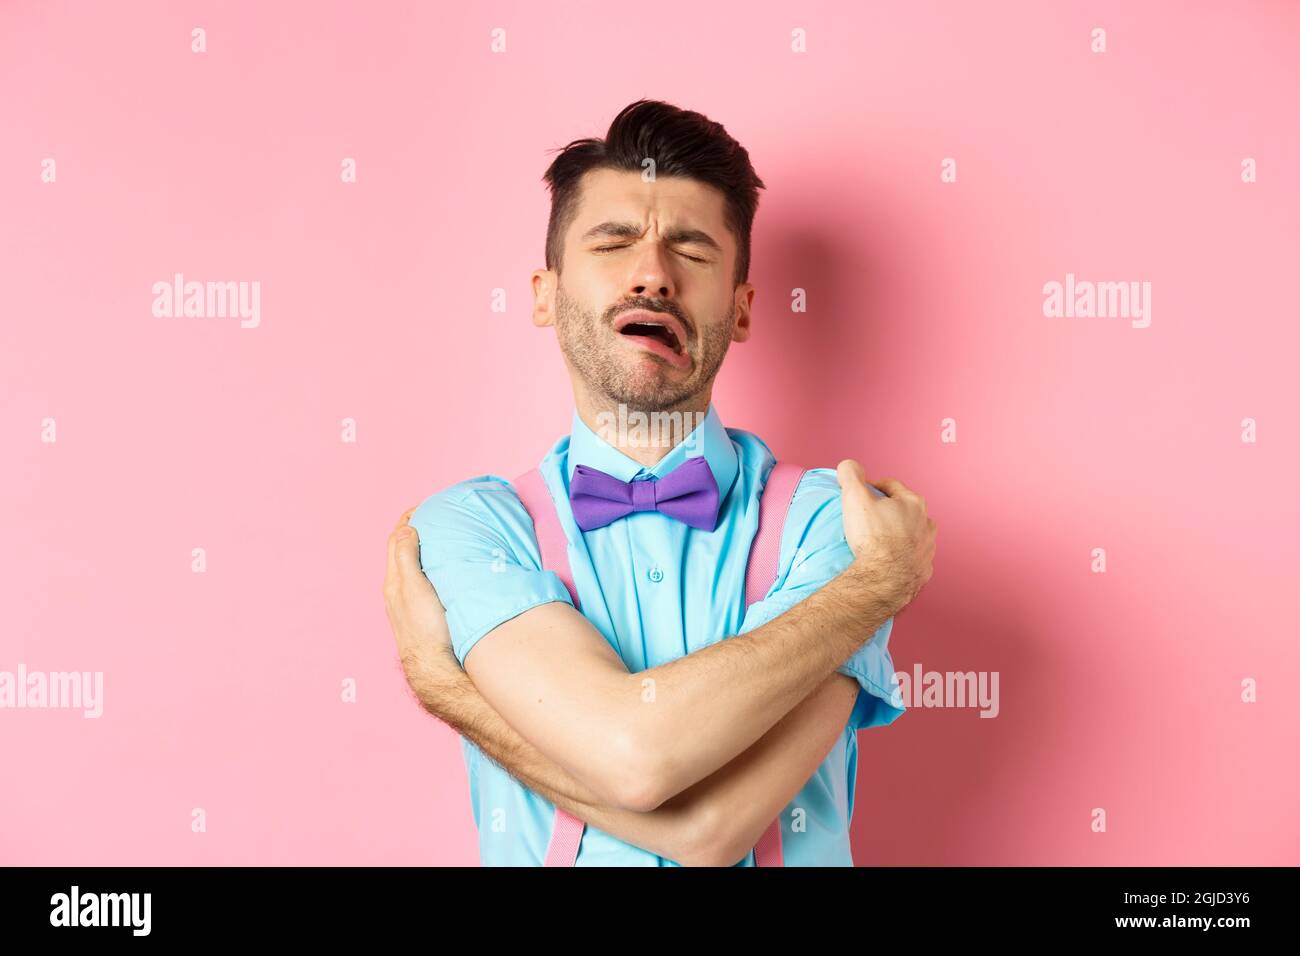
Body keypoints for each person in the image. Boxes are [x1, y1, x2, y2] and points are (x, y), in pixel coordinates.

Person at [382, 99, 937, 866]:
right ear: (545, 293)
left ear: (741, 311)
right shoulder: (468, 528)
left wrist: (454, 694)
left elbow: (706, 827)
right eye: (613, 243)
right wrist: (876, 588)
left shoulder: (843, 525)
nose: (652, 276)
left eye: (693, 250)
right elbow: (640, 763)